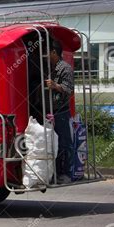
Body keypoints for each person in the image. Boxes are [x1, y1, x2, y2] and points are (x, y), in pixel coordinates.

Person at [45, 39, 74, 184]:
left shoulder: (65, 68)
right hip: (50, 112)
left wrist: (56, 86)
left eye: (48, 52)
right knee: (53, 144)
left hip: (61, 112)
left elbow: (69, 90)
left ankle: (66, 173)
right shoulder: (50, 67)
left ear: (54, 52)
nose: (46, 55)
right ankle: (54, 173)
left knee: (64, 143)